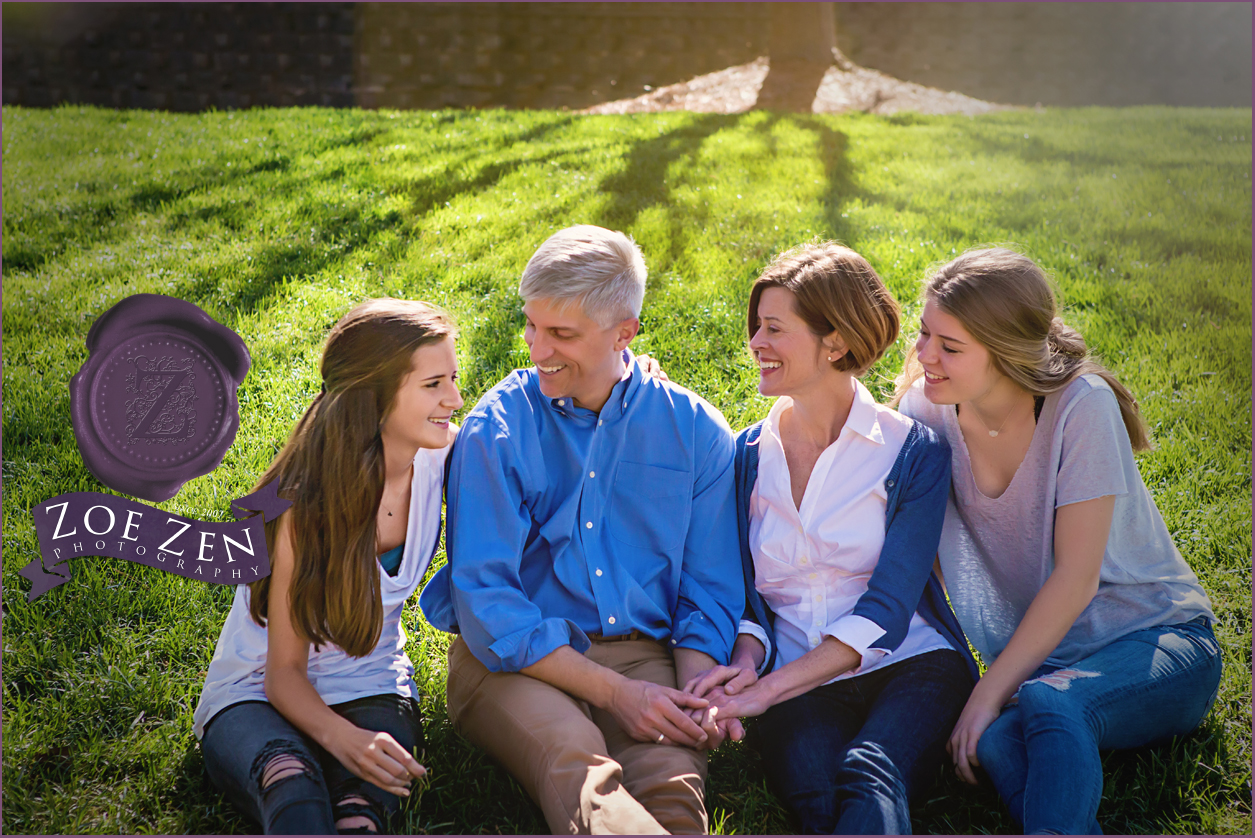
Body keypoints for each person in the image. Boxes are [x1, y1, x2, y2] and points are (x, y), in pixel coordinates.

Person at [419, 225, 745, 835]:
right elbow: (487, 600)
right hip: (510, 661)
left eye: (561, 334)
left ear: (625, 333)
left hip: (648, 658)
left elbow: (709, 588)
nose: (537, 349)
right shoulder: (500, 426)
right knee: (577, 760)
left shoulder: (697, 431)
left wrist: (696, 694)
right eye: (532, 325)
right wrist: (614, 696)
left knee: (676, 790)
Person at [894, 247, 1220, 834]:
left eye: (948, 346)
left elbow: (1077, 578)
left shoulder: (1080, 407)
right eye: (924, 334)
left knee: (1045, 703)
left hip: (1160, 642)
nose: (923, 356)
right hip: (1043, 665)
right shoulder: (929, 411)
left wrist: (986, 693)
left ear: (1006, 352)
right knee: (994, 744)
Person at [685, 242, 978, 835]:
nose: (755, 344)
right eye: (756, 327)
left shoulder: (913, 452)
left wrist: (766, 694)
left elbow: (890, 610)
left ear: (835, 342)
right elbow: (750, 600)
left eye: (774, 328)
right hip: (795, 678)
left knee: (870, 771)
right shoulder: (744, 457)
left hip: (912, 663)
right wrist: (747, 666)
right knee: (819, 799)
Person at [193, 299, 464, 834]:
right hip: (257, 691)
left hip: (373, 682)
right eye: (433, 385)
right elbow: (283, 676)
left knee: (361, 814)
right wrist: (344, 740)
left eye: (453, 379)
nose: (454, 399)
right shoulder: (301, 506)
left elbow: (526, 430)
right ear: (376, 397)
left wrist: (627, 375)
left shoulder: (442, 454)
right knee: (291, 785)